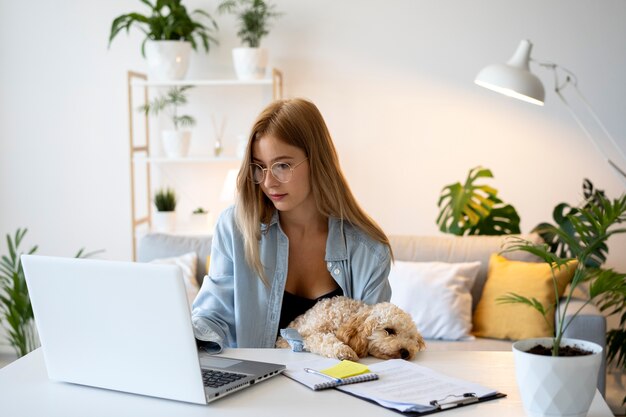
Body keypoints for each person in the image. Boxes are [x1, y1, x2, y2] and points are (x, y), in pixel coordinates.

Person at [191, 98, 392, 353]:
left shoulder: (369, 251)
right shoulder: (236, 227)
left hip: (337, 390)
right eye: (260, 167)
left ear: (317, 161)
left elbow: (376, 344)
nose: (268, 182)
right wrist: (184, 336)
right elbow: (212, 315)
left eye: (282, 165)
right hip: (256, 388)